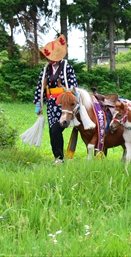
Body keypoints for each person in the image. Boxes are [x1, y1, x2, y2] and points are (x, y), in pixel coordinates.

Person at [33, 35, 78, 165]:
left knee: (56, 129)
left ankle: (60, 158)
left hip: (63, 104)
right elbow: (40, 86)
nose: (50, 60)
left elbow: (73, 84)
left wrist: (68, 95)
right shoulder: (46, 69)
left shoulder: (66, 67)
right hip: (51, 104)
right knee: (52, 131)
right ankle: (57, 158)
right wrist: (38, 103)